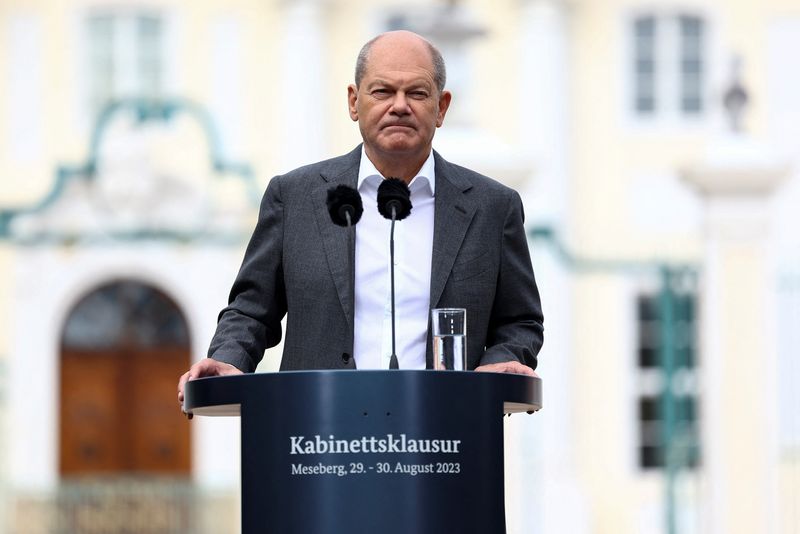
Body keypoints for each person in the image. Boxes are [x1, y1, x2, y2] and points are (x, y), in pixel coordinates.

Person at [178, 30, 543, 407]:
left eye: (416, 93)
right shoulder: (295, 197)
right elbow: (251, 311)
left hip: (446, 430)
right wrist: (227, 358)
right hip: (319, 429)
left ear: (442, 107)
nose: (399, 106)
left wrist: (503, 360)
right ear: (354, 102)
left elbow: (520, 321)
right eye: (382, 91)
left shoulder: (493, 207)